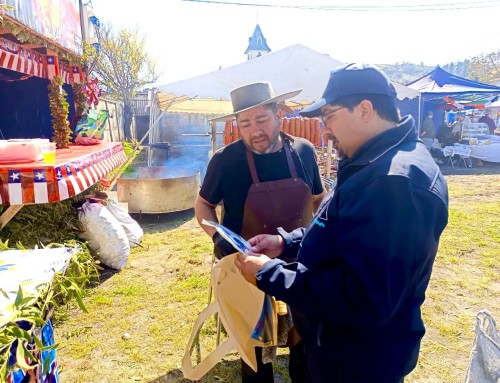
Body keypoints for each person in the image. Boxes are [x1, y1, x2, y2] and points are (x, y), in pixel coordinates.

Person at [235, 64, 449, 383]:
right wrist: (287, 242)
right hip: (335, 347)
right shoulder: (375, 161)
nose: (326, 129)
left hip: (357, 362)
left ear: (364, 109)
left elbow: (362, 299)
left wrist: (270, 274)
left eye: (330, 116)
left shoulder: (394, 183)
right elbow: (342, 227)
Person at [194, 81, 326, 383]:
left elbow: (317, 200)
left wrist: (312, 239)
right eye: (245, 123)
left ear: (278, 115)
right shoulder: (225, 161)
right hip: (246, 265)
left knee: (302, 342)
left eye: (262, 120)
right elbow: (202, 205)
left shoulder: (303, 152)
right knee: (254, 349)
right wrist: (217, 238)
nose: (255, 130)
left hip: (297, 260)